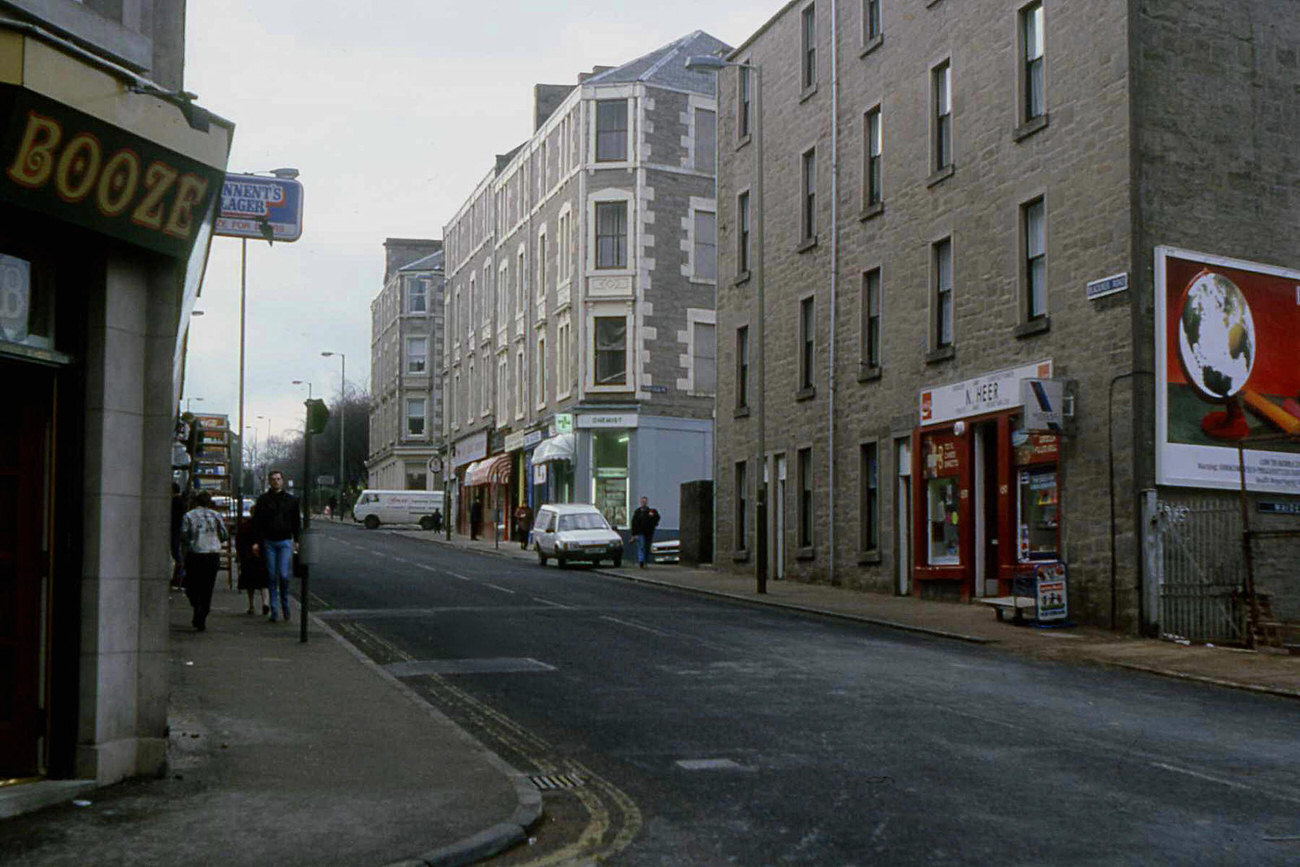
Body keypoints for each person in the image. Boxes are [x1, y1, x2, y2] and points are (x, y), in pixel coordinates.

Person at [252, 469, 301, 623]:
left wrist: (297, 540)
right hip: (269, 541)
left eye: (278, 479)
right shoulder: (263, 500)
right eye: (273, 479)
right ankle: (274, 610)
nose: (276, 481)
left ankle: (285, 606)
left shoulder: (291, 500)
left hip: (285, 541)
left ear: (282, 481)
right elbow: (257, 523)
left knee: (284, 576)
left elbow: (296, 522)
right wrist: (256, 542)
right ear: (269, 481)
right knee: (272, 576)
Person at [181, 490, 228, 631]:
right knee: (208, 586)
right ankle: (203, 611)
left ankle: (197, 605)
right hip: (212, 553)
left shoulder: (189, 516)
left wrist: (190, 542)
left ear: (196, 501)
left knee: (192, 584)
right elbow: (224, 534)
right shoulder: (216, 515)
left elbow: (184, 534)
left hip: (196, 553)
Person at [236, 505, 269, 616]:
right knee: (264, 582)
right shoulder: (265, 526)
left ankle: (251, 606)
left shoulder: (245, 525)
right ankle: (265, 602)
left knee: (250, 584)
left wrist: (241, 556)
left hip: (248, 557)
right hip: (262, 557)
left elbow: (239, 542)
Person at [630, 496, 660, 569]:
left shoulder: (651, 511)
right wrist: (633, 534)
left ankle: (645, 561)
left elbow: (657, 518)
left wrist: (653, 516)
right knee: (641, 547)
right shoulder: (637, 512)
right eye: (642, 501)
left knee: (646, 547)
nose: (643, 503)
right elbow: (633, 523)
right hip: (639, 533)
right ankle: (641, 562)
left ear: (647, 502)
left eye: (645, 501)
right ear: (640, 502)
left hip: (648, 533)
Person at [170, 483, 186, 589]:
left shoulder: (175, 502)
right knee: (177, 553)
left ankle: (179, 576)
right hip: (177, 530)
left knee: (176, 553)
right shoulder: (181, 501)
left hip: (175, 530)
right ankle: (179, 576)